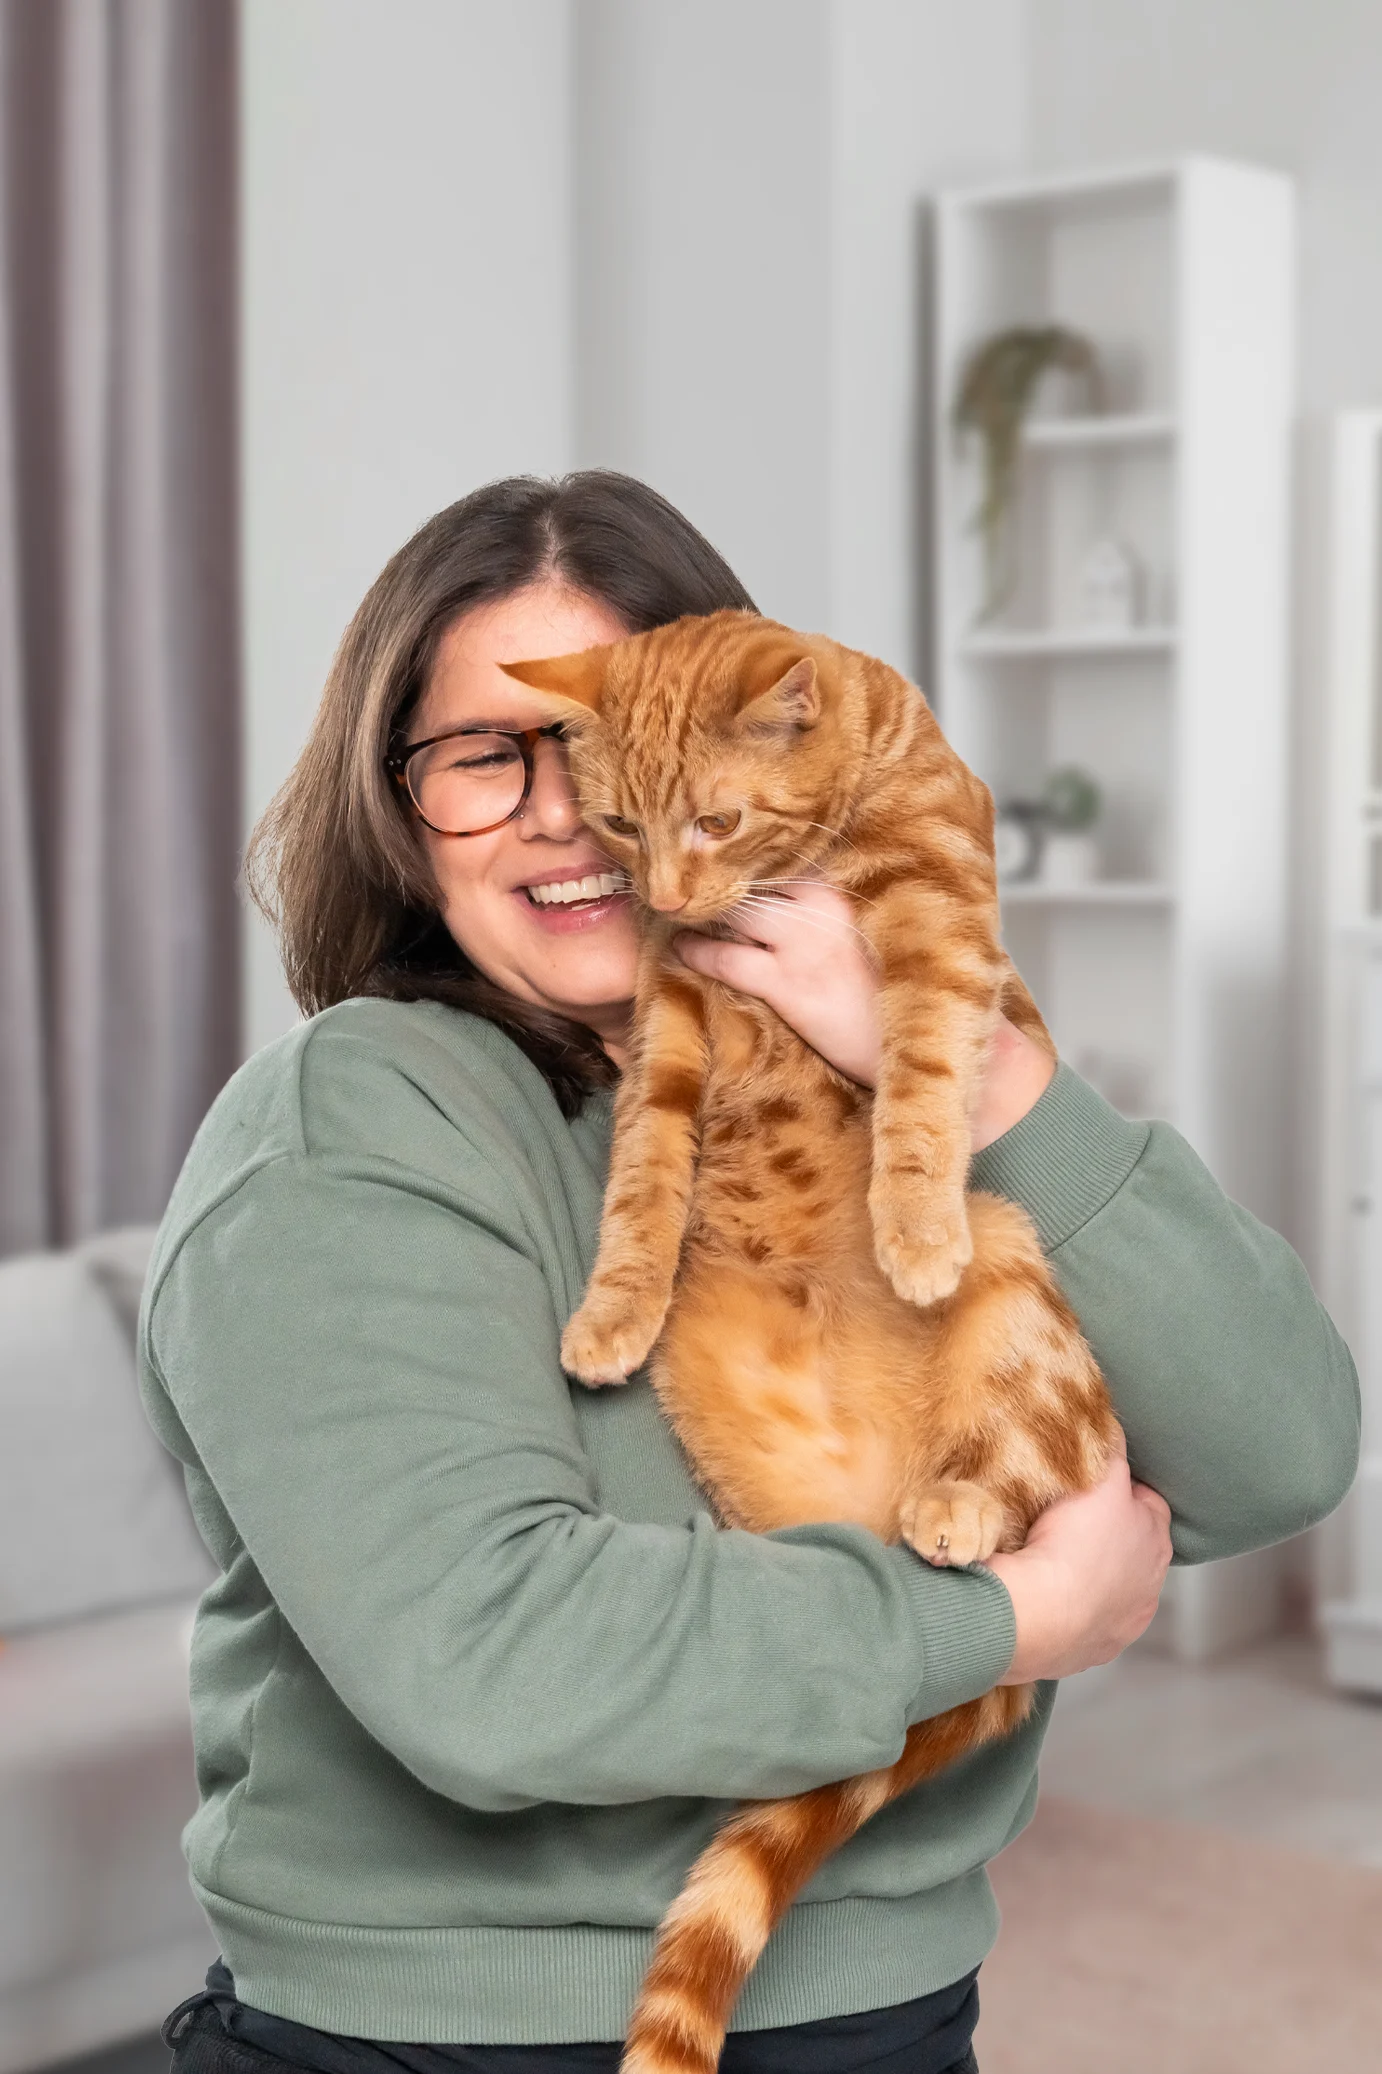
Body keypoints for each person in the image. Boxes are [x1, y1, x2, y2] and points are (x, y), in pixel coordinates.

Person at [144, 472, 1359, 2074]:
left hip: (882, 2014)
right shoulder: (359, 1116)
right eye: (483, 756)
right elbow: (495, 1661)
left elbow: (1277, 1451)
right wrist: (999, 1620)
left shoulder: (875, 1069)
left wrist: (981, 1082)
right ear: (393, 800)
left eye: (606, 748)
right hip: (444, 2043)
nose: (574, 815)